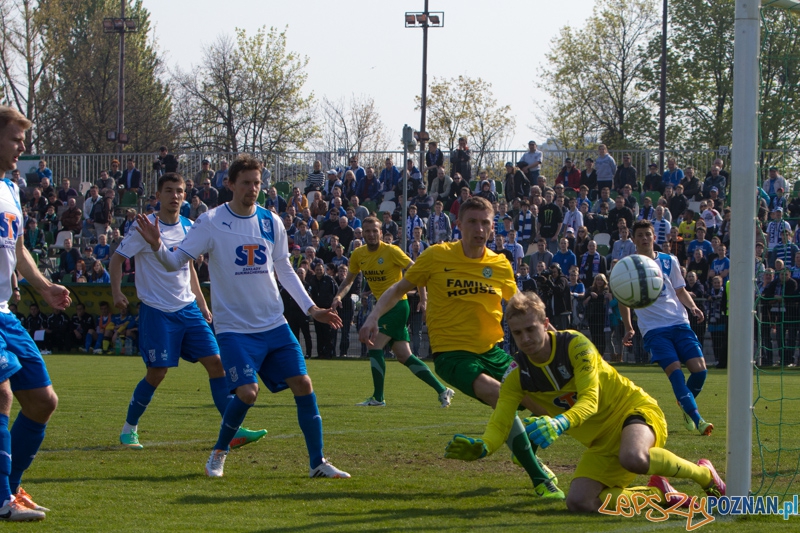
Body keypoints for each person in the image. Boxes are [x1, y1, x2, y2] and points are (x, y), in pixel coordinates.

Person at [134, 154, 349, 479]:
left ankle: (317, 463)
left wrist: (312, 309)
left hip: (274, 323)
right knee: (248, 393)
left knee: (303, 384)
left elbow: (284, 269)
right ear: (230, 184)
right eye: (246, 183)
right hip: (234, 329)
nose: (253, 189)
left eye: (257, 183)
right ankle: (219, 452)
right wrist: (157, 246)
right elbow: (174, 262)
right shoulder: (211, 221)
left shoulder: (271, 221)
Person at [443, 291, 726, 513]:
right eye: (517, 333)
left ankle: (704, 475)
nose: (525, 339)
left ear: (545, 324)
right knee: (580, 502)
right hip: (600, 443)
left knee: (633, 457)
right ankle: (658, 494)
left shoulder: (574, 345)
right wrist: (485, 446)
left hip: (633, 411)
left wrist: (559, 422)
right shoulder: (516, 374)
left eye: (530, 329)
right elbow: (502, 419)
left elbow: (590, 399)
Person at [359, 196, 562, 499]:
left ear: (492, 228)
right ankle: (539, 479)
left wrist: (556, 337)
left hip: (493, 353)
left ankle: (524, 448)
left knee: (545, 406)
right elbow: (399, 288)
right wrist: (373, 316)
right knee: (500, 394)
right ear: (459, 225)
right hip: (453, 356)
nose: (479, 229)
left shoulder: (499, 263)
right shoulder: (436, 256)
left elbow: (522, 307)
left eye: (485, 223)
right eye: (472, 222)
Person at [110, 171, 267, 450]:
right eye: (169, 190)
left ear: (185, 196)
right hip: (157, 310)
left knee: (216, 363)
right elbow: (117, 259)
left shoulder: (189, 226)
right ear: (158, 196)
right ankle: (129, 429)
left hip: (188, 309)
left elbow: (189, 267)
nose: (175, 196)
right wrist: (116, 291)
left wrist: (202, 303)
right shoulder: (144, 226)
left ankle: (232, 430)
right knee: (157, 373)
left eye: (180, 191)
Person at [0, 106, 71, 520]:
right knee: (2, 393)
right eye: (14, 140)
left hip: (4, 313)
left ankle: (10, 489)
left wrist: (44, 287)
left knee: (43, 401)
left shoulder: (11, 190)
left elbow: (19, 248)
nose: (21, 148)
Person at [334, 216, 453, 407]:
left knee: (374, 346)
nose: (371, 234)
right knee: (404, 356)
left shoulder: (392, 251)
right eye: (367, 231)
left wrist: (424, 299)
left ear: (381, 233)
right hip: (382, 308)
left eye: (375, 231)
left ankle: (378, 398)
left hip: (397, 306)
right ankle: (442, 390)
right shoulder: (358, 255)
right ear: (362, 234)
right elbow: (349, 281)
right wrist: (339, 296)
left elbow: (417, 271)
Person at [619, 220, 714, 436]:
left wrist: (693, 307)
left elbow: (680, 290)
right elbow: (623, 299)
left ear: (654, 237)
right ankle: (698, 420)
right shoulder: (628, 266)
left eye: (648, 234)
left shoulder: (669, 261)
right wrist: (629, 327)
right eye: (640, 235)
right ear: (633, 239)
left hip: (680, 323)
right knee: (676, 373)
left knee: (700, 371)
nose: (644, 238)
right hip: (654, 330)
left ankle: (685, 403)